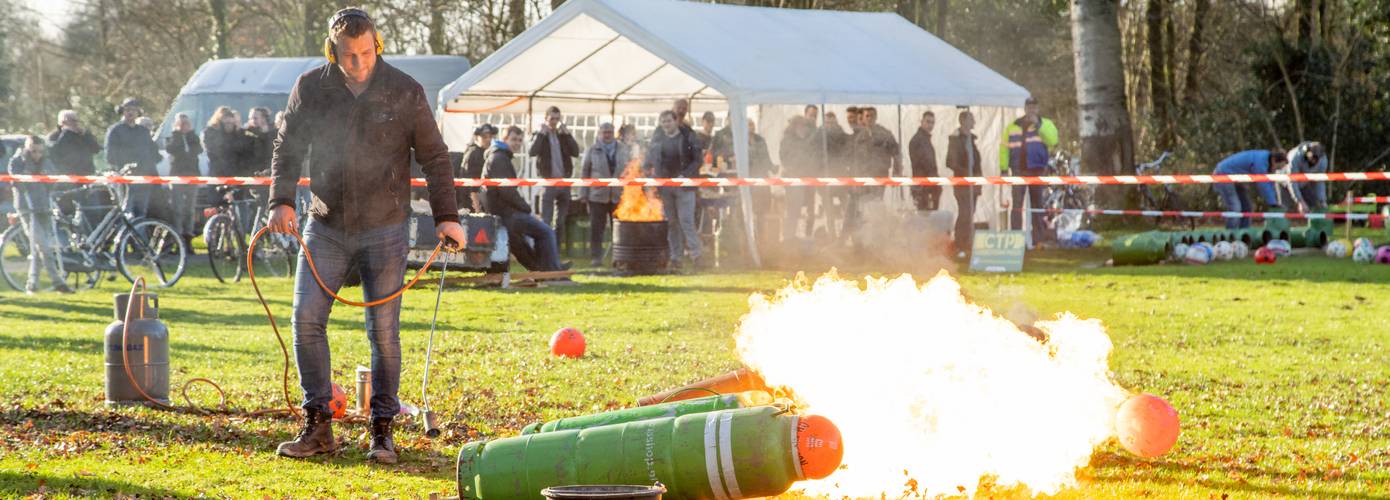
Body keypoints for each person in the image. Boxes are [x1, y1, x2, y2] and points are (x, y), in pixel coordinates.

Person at [265, 7, 466, 465]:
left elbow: (435, 157)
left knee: (384, 333)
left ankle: (382, 431)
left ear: (376, 45)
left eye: (364, 53)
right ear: (331, 51)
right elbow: (287, 146)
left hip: (386, 226)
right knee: (306, 319)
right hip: (325, 223)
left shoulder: (404, 90)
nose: (357, 64)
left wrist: (447, 216)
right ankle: (318, 425)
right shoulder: (311, 87)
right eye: (347, 55)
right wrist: (280, 201)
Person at [485, 126, 566, 272]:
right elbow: (507, 191)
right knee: (546, 232)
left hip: (503, 213)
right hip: (507, 213)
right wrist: (526, 208)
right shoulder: (500, 158)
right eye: (514, 139)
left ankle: (544, 268)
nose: (517, 143)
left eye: (520, 140)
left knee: (522, 242)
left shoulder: (499, 156)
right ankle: (552, 269)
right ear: (504, 139)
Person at [8, 137, 74, 294]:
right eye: (33, 151)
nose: (36, 155)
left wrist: (48, 179)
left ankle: (32, 284)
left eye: (39, 151)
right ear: (27, 148)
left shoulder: (46, 162)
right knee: (43, 246)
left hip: (44, 206)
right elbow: (16, 181)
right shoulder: (17, 161)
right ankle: (58, 281)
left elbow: (53, 180)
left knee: (38, 248)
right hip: (27, 208)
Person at [644, 110, 703, 269]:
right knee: (672, 223)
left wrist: (685, 175)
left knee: (686, 221)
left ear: (676, 121)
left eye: (668, 121)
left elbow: (698, 160)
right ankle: (676, 258)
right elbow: (650, 158)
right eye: (663, 122)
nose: (666, 124)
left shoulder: (688, 137)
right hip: (665, 187)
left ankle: (697, 256)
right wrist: (646, 170)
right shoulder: (657, 139)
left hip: (684, 186)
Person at [1000, 96, 1058, 244]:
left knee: (1037, 206)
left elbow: (1053, 141)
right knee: (1017, 205)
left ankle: (1038, 240)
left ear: (1038, 109)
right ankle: (1015, 240)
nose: (1031, 109)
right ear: (1025, 109)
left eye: (1034, 107)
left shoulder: (1046, 124)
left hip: (1037, 170)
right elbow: (1004, 148)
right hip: (1018, 170)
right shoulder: (1013, 126)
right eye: (1029, 107)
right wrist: (1004, 168)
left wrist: (1038, 125)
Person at [579, 122, 630, 266]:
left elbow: (628, 169)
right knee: (597, 228)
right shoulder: (592, 150)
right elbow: (584, 171)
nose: (607, 135)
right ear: (599, 133)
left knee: (619, 229)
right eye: (604, 132)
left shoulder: (623, 149)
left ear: (613, 133)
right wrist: (583, 193)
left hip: (617, 195)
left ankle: (619, 257)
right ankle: (596, 257)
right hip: (597, 196)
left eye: (609, 132)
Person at [529, 106, 580, 245]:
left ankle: (555, 250)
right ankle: (545, 248)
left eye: (557, 119)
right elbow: (532, 151)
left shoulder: (562, 135)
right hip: (548, 181)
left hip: (563, 182)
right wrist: (541, 134)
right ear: (546, 119)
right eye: (552, 119)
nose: (554, 122)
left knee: (560, 220)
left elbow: (576, 152)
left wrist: (568, 134)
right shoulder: (540, 135)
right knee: (546, 219)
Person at [105, 98, 161, 218]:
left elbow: (153, 152)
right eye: (127, 110)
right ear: (122, 111)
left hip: (144, 178)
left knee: (141, 212)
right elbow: (110, 155)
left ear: (138, 112)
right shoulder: (115, 130)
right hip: (125, 179)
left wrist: (150, 167)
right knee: (126, 212)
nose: (130, 113)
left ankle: (138, 236)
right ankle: (124, 236)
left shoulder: (143, 131)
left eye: (134, 110)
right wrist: (122, 168)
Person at [1213, 149, 1286, 229]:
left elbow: (1269, 183)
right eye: (1278, 167)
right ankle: (1230, 235)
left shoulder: (1265, 160)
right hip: (1223, 174)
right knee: (1235, 207)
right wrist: (1273, 203)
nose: (1276, 170)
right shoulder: (1261, 161)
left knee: (1247, 207)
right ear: (1274, 160)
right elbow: (1263, 184)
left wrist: (1274, 201)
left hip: (1236, 178)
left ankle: (1244, 232)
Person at [47, 110, 103, 214]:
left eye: (77, 121)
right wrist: (67, 133)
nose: (75, 124)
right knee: (69, 212)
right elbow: (55, 151)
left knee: (92, 210)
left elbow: (96, 149)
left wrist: (86, 135)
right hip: (67, 181)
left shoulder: (82, 135)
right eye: (72, 121)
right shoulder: (54, 137)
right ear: (62, 123)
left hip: (86, 177)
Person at [780, 116, 823, 242]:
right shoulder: (787, 140)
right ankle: (788, 236)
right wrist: (795, 169)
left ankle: (805, 235)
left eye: (804, 126)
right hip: (794, 178)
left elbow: (812, 156)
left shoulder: (806, 140)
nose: (803, 129)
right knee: (793, 209)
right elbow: (785, 159)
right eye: (800, 126)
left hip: (807, 177)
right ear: (794, 127)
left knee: (805, 209)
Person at [947, 110, 982, 259]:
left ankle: (967, 242)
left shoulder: (971, 140)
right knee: (965, 212)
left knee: (970, 212)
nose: (974, 122)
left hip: (974, 183)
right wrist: (966, 173)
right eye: (971, 119)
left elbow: (976, 163)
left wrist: (978, 180)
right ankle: (959, 243)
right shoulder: (955, 140)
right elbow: (950, 162)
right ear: (963, 121)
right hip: (962, 183)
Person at [165, 113, 204, 242]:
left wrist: (189, 135)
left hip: (192, 176)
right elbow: (171, 149)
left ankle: (188, 236)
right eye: (181, 124)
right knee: (177, 208)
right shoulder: (172, 138)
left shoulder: (193, 137)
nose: (184, 126)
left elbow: (197, 150)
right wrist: (177, 134)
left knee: (190, 209)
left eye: (186, 123)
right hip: (177, 176)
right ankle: (177, 236)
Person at [457, 124, 495, 212]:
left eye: (490, 137)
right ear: (477, 137)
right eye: (484, 137)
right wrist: (477, 206)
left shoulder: (486, 152)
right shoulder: (473, 153)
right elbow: (471, 182)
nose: (488, 139)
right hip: (470, 202)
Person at [908, 111, 940, 211]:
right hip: (923, 185)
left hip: (929, 183)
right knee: (924, 216)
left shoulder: (925, 139)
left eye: (932, 122)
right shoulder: (918, 140)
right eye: (928, 122)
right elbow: (922, 163)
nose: (930, 125)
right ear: (921, 122)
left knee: (929, 214)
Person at [1285, 141, 1327, 212]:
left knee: (1315, 204)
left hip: (1304, 183)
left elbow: (1319, 181)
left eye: (1317, 158)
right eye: (1313, 157)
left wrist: (1322, 200)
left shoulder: (1323, 160)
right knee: (1283, 208)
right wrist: (1300, 201)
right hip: (1285, 182)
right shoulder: (1294, 158)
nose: (1314, 160)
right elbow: (1292, 181)